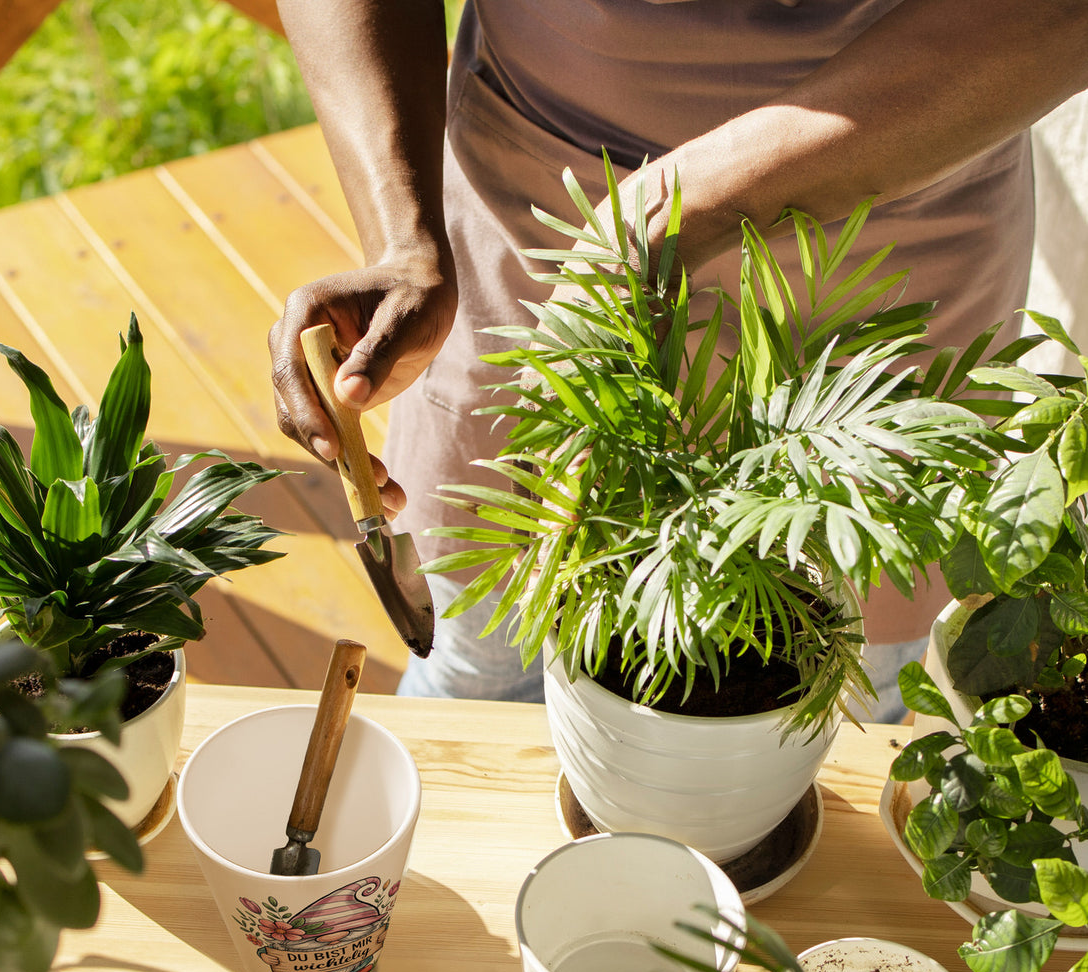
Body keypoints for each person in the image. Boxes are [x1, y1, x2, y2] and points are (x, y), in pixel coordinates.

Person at [269, 0, 1088, 720]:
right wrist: (403, 232)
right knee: (486, 665)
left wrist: (675, 211)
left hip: (887, 235)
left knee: (826, 705)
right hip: (534, 221)